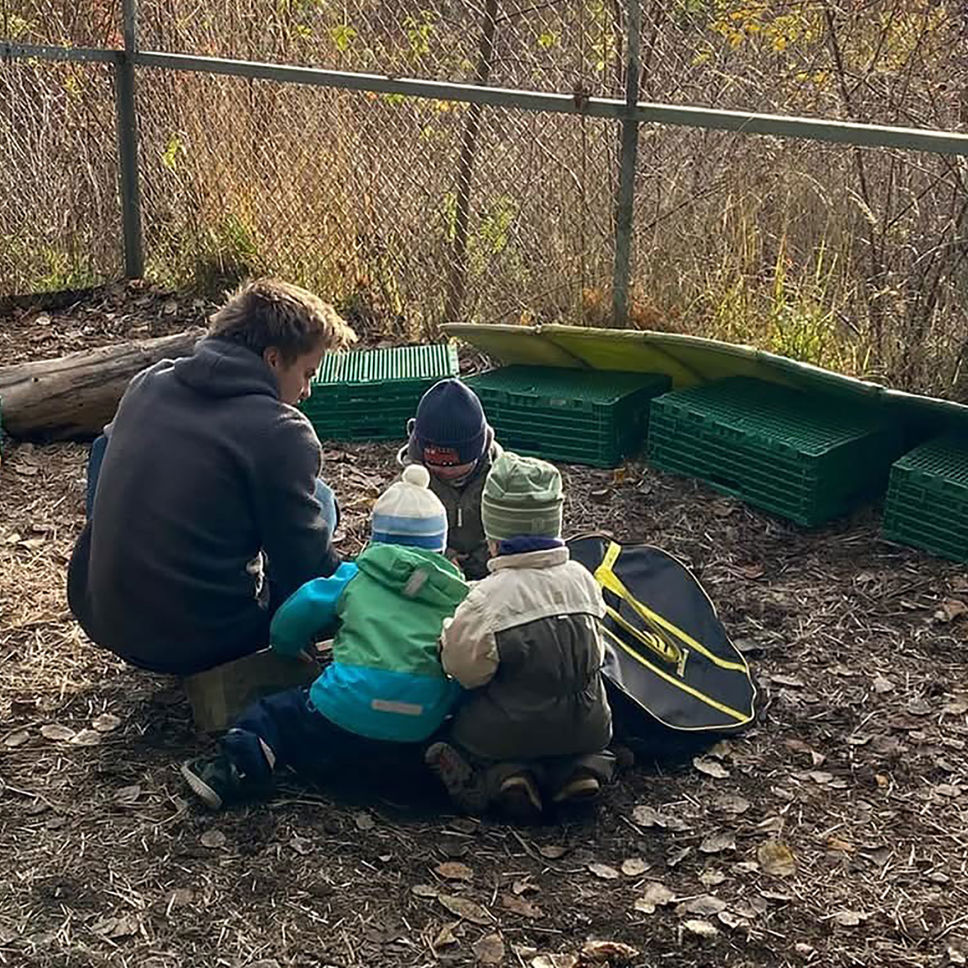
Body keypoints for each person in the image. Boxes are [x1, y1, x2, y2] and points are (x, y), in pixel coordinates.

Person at [67, 279, 355, 676]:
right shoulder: (281, 431)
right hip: (205, 643)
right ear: (273, 360)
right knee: (320, 498)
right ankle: (290, 648)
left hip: (105, 619)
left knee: (108, 445)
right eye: (307, 372)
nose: (307, 390)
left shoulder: (148, 383)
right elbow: (304, 563)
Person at [180, 464, 469, 810]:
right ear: (441, 543)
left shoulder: (355, 577)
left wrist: (287, 646)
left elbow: (297, 612)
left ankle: (236, 769)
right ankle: (427, 782)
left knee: (278, 715)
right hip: (420, 715)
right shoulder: (458, 594)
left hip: (344, 705)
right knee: (427, 735)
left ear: (376, 537)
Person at [425, 452, 615, 821]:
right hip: (585, 722)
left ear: (493, 534)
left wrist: (446, 638)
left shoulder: (489, 598)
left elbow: (463, 669)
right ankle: (585, 770)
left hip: (507, 729)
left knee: (468, 735)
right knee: (580, 743)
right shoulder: (583, 579)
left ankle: (504, 779)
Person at [398, 378, 502, 580]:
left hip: (492, 570)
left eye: (455, 467)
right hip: (433, 571)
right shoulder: (410, 482)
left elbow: (514, 533)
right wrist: (442, 554)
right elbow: (399, 535)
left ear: (477, 453)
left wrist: (483, 558)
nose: (446, 472)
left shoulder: (501, 479)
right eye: (435, 465)